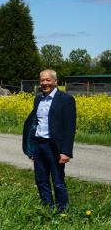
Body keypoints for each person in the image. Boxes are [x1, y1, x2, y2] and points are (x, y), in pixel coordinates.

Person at [23, 69, 76, 212]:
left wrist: (65, 152)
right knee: (41, 180)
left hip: (55, 147)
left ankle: (61, 211)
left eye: (48, 80)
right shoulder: (38, 99)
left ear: (55, 81)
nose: (45, 83)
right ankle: (47, 208)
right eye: (42, 80)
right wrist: (31, 148)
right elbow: (35, 124)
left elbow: (70, 128)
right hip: (39, 145)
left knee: (58, 181)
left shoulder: (66, 100)